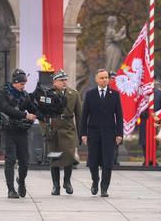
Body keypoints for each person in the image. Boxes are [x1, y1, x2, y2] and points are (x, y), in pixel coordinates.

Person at [81, 68, 123, 197]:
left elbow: (119, 116)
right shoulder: (90, 94)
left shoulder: (114, 94)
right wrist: (83, 134)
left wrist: (119, 134)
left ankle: (104, 188)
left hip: (109, 134)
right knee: (93, 162)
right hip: (93, 133)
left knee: (107, 162)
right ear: (96, 79)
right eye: (102, 78)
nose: (105, 79)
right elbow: (84, 116)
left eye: (106, 77)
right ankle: (95, 180)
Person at [0, 69, 38, 198]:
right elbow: (6, 109)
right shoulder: (2, 93)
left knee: (24, 161)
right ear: (14, 82)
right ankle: (10, 190)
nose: (23, 86)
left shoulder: (25, 95)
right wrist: (25, 115)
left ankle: (21, 181)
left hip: (21, 131)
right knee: (10, 160)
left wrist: (44, 113)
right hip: (8, 131)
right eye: (21, 83)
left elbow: (33, 109)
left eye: (24, 84)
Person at [44, 70, 82, 195]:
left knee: (68, 156)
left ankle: (67, 181)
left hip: (68, 128)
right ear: (55, 82)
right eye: (61, 80)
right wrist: (45, 130)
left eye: (65, 79)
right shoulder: (47, 94)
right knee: (55, 157)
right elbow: (41, 114)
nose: (64, 82)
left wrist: (81, 134)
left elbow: (79, 115)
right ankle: (56, 186)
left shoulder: (74, 94)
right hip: (53, 129)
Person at [139, 86, 161, 165]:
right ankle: (146, 158)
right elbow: (138, 105)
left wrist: (158, 119)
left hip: (155, 120)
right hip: (144, 120)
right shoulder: (141, 92)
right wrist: (142, 113)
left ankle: (153, 159)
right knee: (144, 140)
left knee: (155, 141)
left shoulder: (159, 93)